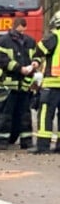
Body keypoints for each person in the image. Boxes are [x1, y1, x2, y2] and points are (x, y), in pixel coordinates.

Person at [0, 17, 38, 150]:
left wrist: (36, 62)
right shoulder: (4, 41)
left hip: (24, 86)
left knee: (25, 115)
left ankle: (26, 141)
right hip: (9, 85)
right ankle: (3, 141)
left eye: (24, 29)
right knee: (6, 115)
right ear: (15, 27)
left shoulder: (29, 41)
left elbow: (36, 55)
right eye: (20, 29)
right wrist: (19, 68)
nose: (22, 32)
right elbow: (2, 60)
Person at [33, 10, 60, 153]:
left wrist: (36, 60)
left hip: (52, 83)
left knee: (45, 114)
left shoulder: (54, 37)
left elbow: (39, 49)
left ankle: (43, 146)